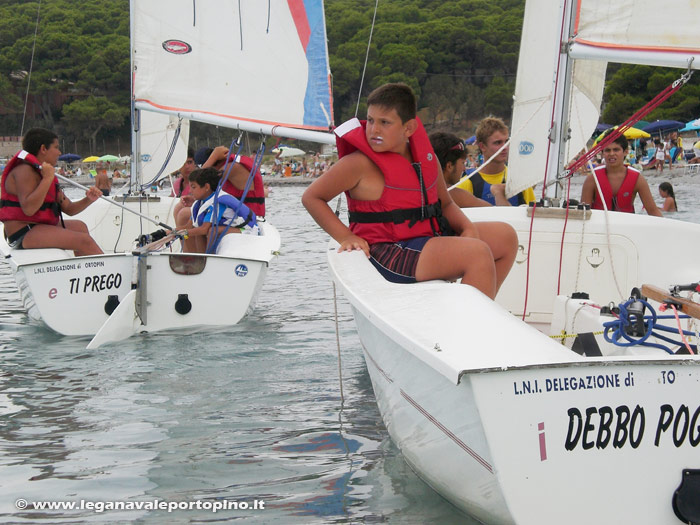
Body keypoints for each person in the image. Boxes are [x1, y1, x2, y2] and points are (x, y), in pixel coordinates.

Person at [302, 83, 517, 299]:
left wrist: (467, 228)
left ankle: (482, 308)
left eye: (385, 123)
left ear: (408, 128)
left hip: (426, 237)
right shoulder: (357, 164)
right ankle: (470, 326)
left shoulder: (425, 158)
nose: (374, 130)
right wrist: (346, 236)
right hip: (389, 250)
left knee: (505, 237)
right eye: (371, 121)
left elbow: (445, 204)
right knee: (476, 254)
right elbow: (312, 197)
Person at [0, 128, 103, 255]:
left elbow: (70, 209)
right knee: (84, 241)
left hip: (38, 226)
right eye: (56, 147)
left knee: (80, 227)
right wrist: (47, 178)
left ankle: (86, 272)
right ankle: (112, 271)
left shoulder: (44, 174)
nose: (59, 152)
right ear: (43, 149)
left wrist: (89, 199)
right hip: (22, 232)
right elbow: (29, 209)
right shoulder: (24, 170)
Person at [174, 146, 266, 232]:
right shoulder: (227, 167)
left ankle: (191, 249)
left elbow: (201, 178)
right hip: (234, 214)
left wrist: (213, 156)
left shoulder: (232, 167)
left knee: (184, 214)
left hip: (247, 218)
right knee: (180, 208)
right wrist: (194, 200)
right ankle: (186, 248)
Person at [453, 117, 535, 206]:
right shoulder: (467, 183)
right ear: (482, 146)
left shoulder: (520, 181)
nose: (505, 147)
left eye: (506, 142)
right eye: (497, 143)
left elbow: (533, 216)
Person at [581, 133, 662, 216]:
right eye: (607, 150)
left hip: (626, 227)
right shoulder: (592, 179)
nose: (611, 153)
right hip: (599, 227)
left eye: (616, 150)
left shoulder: (638, 179)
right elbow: (583, 214)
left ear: (626, 151)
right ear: (602, 153)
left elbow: (653, 211)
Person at [180, 167, 257, 253]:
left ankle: (208, 257)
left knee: (212, 231)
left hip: (246, 229)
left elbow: (204, 229)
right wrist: (169, 232)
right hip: (228, 226)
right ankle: (200, 258)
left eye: (193, 187)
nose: (190, 191)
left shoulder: (217, 202)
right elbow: (188, 227)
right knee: (197, 230)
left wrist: (182, 233)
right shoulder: (201, 203)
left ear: (206, 187)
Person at [429, 131, 491, 208]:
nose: (464, 169)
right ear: (449, 166)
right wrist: (499, 193)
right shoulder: (454, 195)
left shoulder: (420, 189)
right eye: (462, 163)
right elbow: (493, 211)